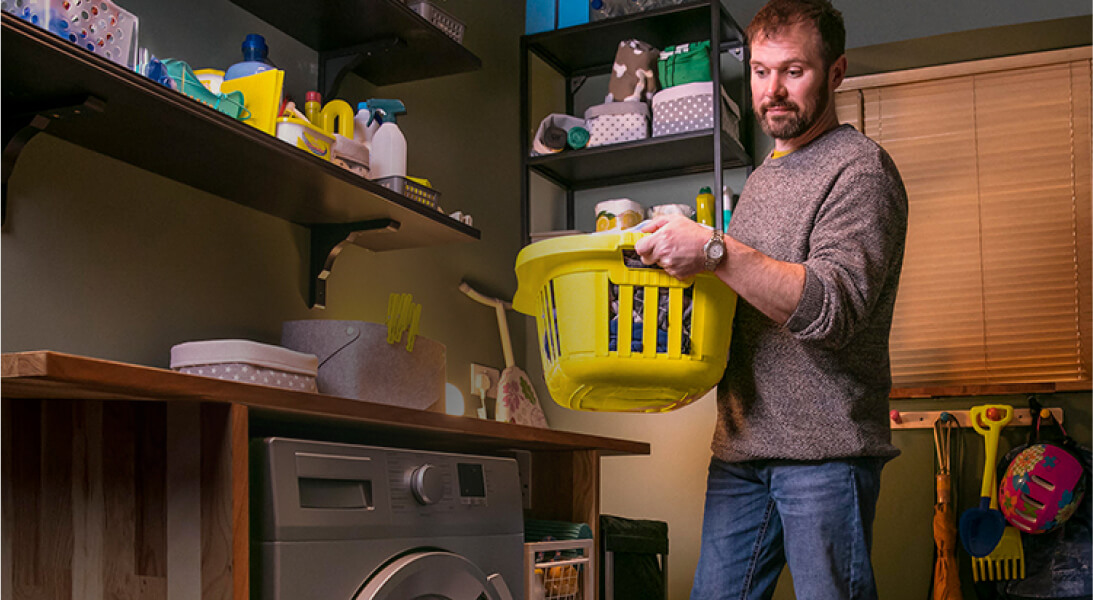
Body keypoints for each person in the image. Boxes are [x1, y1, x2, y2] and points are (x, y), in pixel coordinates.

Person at [633, 0, 908, 597]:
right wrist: (689, 267)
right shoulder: (762, 178)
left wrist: (715, 251)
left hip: (825, 454)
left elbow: (832, 309)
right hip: (741, 447)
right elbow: (747, 291)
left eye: (793, 71)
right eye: (760, 71)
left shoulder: (861, 170)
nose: (772, 91)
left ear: (835, 73)